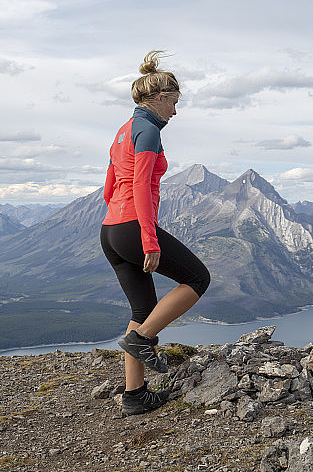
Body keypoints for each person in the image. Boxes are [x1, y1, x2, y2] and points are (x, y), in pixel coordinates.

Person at [99, 50, 210, 416]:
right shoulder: (148, 131)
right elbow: (141, 186)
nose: (175, 112)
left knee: (143, 309)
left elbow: (109, 188)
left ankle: (134, 396)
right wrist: (148, 239)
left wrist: (123, 222)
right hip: (133, 226)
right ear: (160, 98)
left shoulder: (122, 131)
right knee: (198, 278)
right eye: (174, 103)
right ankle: (143, 339)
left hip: (111, 229)